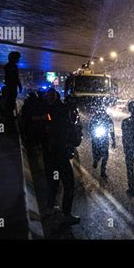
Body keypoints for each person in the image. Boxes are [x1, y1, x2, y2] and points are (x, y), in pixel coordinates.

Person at [43, 88, 80, 225]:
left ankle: (50, 207)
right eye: (50, 95)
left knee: (54, 181)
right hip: (60, 153)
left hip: (51, 153)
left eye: (52, 95)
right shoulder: (60, 111)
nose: (50, 98)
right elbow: (69, 131)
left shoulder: (49, 110)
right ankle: (66, 214)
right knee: (69, 184)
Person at [89, 105, 115, 179]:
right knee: (96, 152)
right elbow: (90, 127)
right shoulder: (94, 118)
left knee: (105, 156)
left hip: (104, 138)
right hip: (96, 138)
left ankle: (103, 171)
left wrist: (113, 140)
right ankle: (95, 160)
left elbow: (111, 129)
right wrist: (92, 134)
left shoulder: (108, 118)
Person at [3, 51, 22, 131]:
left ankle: (10, 122)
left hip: (11, 88)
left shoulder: (11, 66)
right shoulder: (10, 67)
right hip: (11, 88)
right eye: (17, 58)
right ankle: (10, 123)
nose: (18, 60)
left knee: (10, 105)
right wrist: (19, 85)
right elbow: (15, 78)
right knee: (9, 106)